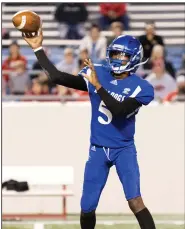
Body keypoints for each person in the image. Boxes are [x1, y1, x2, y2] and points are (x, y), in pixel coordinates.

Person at [23, 25, 157, 229]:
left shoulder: (141, 87)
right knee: (87, 206)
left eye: (123, 55)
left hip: (124, 149)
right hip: (98, 149)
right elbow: (58, 77)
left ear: (134, 59)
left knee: (135, 201)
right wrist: (37, 49)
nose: (117, 58)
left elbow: (119, 110)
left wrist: (98, 86)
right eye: (115, 54)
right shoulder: (99, 72)